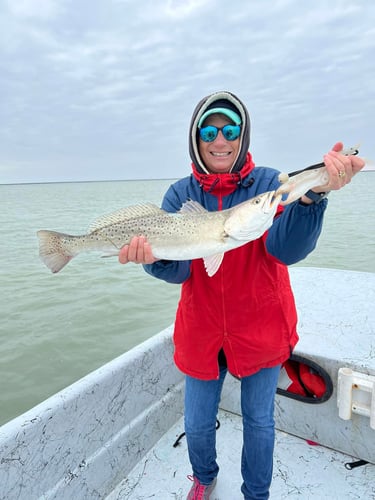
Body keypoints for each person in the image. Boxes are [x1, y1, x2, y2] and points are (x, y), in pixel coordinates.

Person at [118, 91, 365, 500]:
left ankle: (256, 494)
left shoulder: (269, 185)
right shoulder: (180, 195)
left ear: (242, 136)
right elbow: (179, 270)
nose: (220, 140)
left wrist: (312, 197)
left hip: (261, 327)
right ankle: (204, 477)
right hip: (201, 331)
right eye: (209, 130)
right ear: (195, 139)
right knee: (196, 422)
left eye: (230, 130)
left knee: (259, 422)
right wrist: (151, 258)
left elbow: (286, 250)